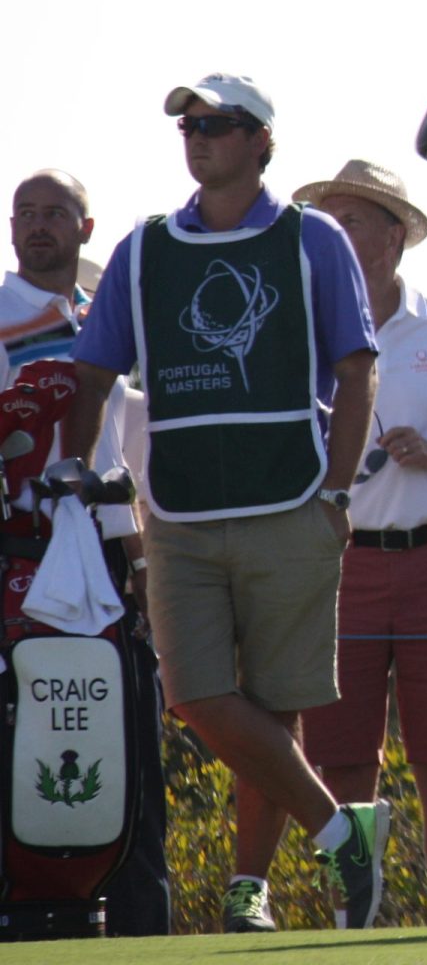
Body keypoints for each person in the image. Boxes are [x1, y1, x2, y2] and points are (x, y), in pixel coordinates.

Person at [61, 74, 390, 932]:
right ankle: (340, 831)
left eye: (217, 123)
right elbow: (93, 371)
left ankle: (252, 892)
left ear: (261, 142)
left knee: (273, 711)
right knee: (198, 699)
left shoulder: (312, 238)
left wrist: (337, 491)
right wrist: (70, 466)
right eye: (189, 125)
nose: (197, 136)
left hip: (292, 500)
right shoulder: (142, 250)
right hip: (179, 512)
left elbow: (358, 371)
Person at [291, 159, 427, 929]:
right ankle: (359, 928)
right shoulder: (305, 328)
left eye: (351, 219)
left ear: (394, 234)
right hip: (341, 563)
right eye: (329, 221)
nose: (337, 234)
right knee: (344, 760)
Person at [2, 169, 170, 936]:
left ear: (85, 228)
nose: (37, 227)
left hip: (99, 557)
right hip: (14, 555)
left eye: (54, 214)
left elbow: (119, 458)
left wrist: (138, 563)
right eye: (24, 214)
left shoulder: (111, 325)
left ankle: (140, 930)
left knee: (132, 747)